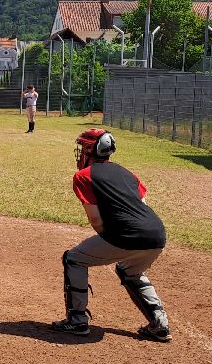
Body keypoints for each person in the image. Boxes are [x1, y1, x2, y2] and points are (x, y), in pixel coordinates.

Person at [51, 128, 171, 341]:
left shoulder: (83, 176)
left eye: (83, 148)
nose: (80, 153)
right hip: (157, 235)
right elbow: (143, 204)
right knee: (130, 272)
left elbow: (96, 220)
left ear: (90, 149)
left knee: (74, 259)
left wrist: (112, 241)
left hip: (126, 235)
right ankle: (159, 322)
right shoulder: (127, 173)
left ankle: (77, 320)